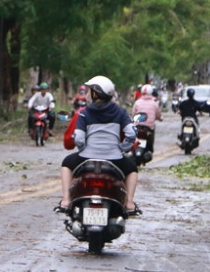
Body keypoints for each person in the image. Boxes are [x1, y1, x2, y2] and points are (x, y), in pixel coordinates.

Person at [57, 75, 139, 213]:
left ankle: (66, 200)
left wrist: (84, 148)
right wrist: (122, 147)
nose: (87, 94)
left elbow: (78, 139)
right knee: (132, 169)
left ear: (95, 93)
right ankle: (129, 203)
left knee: (66, 164)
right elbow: (131, 133)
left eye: (89, 91)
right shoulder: (120, 112)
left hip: (86, 158)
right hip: (115, 159)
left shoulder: (84, 113)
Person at [132, 83, 163, 153]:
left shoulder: (137, 102)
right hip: (149, 129)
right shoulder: (154, 104)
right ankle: (150, 148)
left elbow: (133, 114)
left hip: (137, 127)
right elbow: (158, 115)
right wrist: (160, 118)